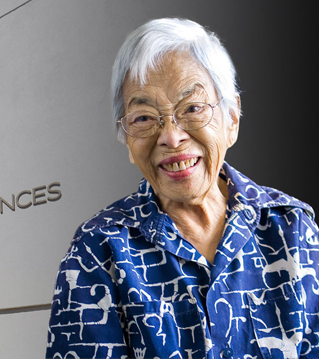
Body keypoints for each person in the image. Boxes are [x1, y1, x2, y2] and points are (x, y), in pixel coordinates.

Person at [46, 18, 319, 358]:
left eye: (192, 108)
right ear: (128, 140)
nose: (171, 137)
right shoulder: (99, 250)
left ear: (231, 119)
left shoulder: (292, 228)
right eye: (143, 118)